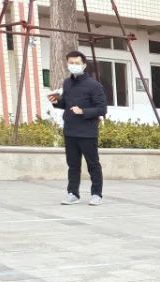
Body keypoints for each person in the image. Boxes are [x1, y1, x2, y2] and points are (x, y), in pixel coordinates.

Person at [49, 51, 108, 206]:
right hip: (70, 131)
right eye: (71, 63)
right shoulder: (67, 83)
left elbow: (102, 109)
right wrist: (56, 102)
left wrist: (83, 111)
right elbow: (66, 104)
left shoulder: (94, 85)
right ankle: (73, 194)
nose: (73, 65)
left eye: (77, 63)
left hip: (87, 132)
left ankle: (96, 194)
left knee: (93, 165)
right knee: (73, 165)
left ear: (84, 65)